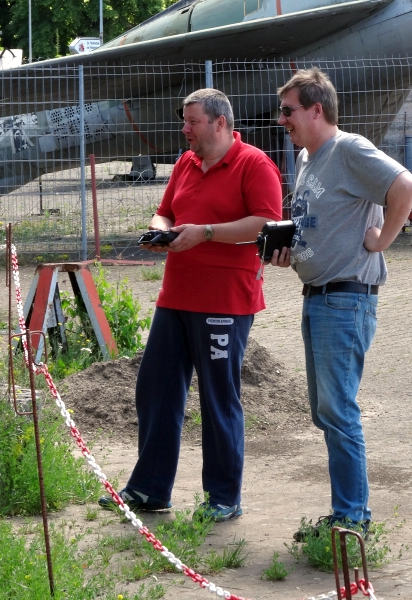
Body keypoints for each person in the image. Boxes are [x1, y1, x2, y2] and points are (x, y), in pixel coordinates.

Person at [99, 88, 282, 522]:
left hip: (225, 301)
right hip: (176, 296)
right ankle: (149, 489)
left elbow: (266, 223)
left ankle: (223, 498)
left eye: (192, 122)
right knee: (156, 390)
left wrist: (207, 232)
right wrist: (157, 229)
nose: (184, 129)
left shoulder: (255, 165)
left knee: (218, 397)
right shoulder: (186, 162)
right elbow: (164, 212)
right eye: (185, 121)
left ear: (220, 123)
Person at [270, 67, 412, 538]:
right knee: (325, 411)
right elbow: (319, 222)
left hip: (345, 300)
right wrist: (290, 250)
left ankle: (352, 518)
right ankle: (346, 512)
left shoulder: (349, 149)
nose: (282, 119)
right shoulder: (307, 158)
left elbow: (405, 186)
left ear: (317, 109)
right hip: (318, 297)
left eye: (289, 110)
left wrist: (381, 240)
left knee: (338, 410)